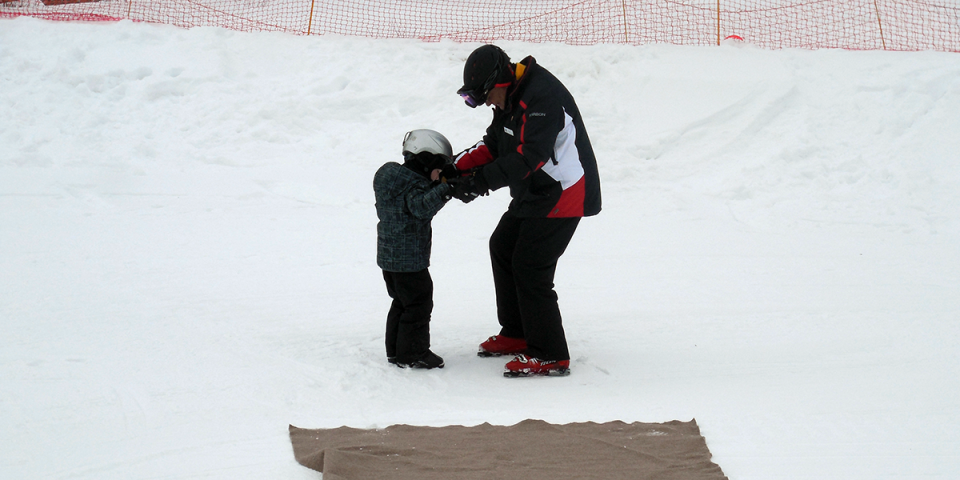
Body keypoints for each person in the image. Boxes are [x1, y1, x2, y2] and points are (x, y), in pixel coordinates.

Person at [452, 44, 602, 377]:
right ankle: (518, 332)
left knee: (530, 266)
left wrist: (477, 183)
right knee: (503, 247)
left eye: (484, 96)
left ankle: (550, 353)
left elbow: (526, 158)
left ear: (501, 81)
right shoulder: (511, 96)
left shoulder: (542, 98)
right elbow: (494, 144)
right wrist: (453, 168)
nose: (485, 103)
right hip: (535, 190)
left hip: (564, 192)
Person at [374, 129, 457, 369]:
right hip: (409, 261)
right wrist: (446, 188)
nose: (440, 172)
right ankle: (413, 353)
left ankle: (395, 351)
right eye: (440, 164)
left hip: (389, 258)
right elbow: (420, 207)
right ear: (426, 158)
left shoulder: (392, 179)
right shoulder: (413, 186)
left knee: (401, 302)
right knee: (419, 304)